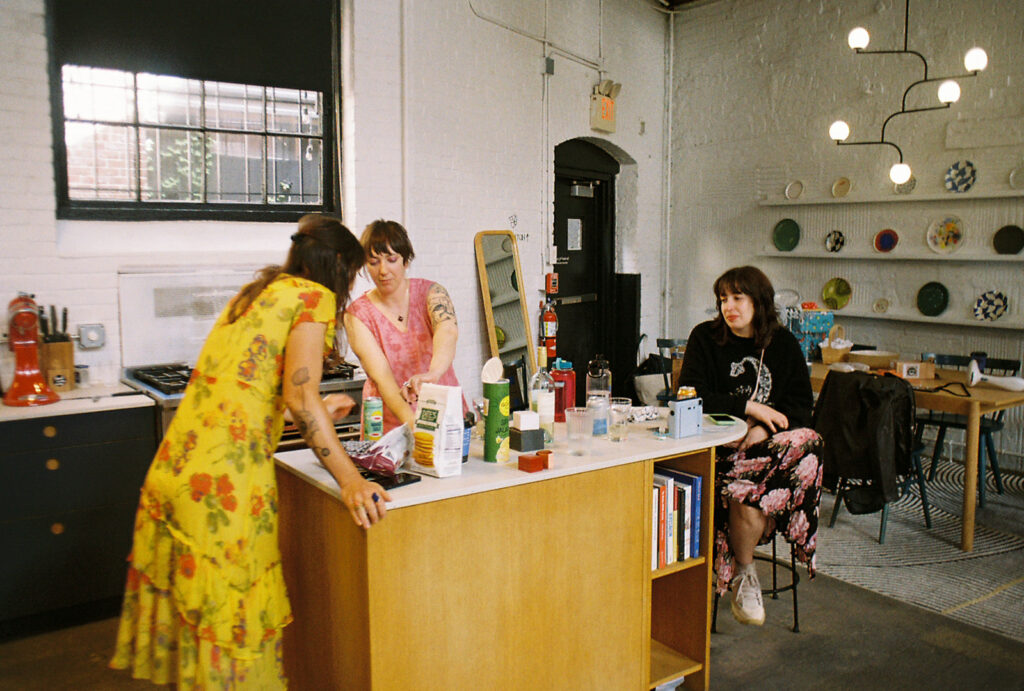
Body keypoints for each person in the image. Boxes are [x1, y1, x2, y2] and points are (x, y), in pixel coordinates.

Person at [110, 215, 391, 688]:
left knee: (206, 633)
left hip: (177, 472)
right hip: (224, 489)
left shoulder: (259, 292)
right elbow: (299, 402)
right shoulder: (311, 297)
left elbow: (247, 397)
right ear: (339, 265)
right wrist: (351, 480)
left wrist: (321, 406)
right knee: (236, 630)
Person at [678, 266, 822, 627]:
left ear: (759, 301)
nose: (729, 306)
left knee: (809, 441)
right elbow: (690, 395)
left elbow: (801, 407)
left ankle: (746, 568)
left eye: (737, 298)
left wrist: (760, 429)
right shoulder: (705, 338)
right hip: (722, 451)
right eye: (723, 299)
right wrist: (748, 408)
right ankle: (747, 567)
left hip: (768, 452)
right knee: (745, 493)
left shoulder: (783, 344)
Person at [344, 219, 464, 434]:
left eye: (391, 259)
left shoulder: (432, 293)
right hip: (390, 424)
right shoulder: (357, 315)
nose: (383, 270)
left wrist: (433, 374)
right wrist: (416, 428)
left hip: (444, 413)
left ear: (405, 261)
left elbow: (447, 331)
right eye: (373, 262)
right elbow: (383, 380)